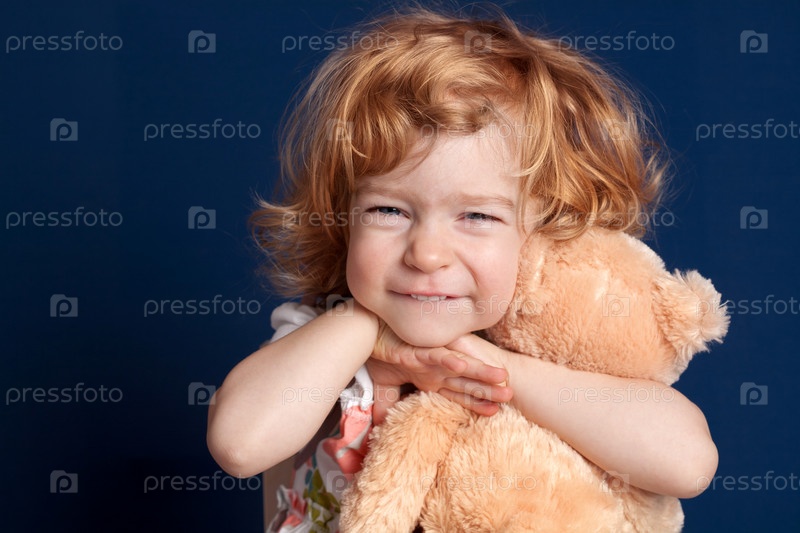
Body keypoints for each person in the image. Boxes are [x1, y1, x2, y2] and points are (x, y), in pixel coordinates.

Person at [207, 6, 718, 532]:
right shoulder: (323, 336)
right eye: (388, 210)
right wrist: (366, 328)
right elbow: (241, 445)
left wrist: (493, 367)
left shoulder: (557, 349)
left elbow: (688, 464)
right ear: (343, 216)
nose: (426, 254)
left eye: (476, 216)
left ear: (546, 231)